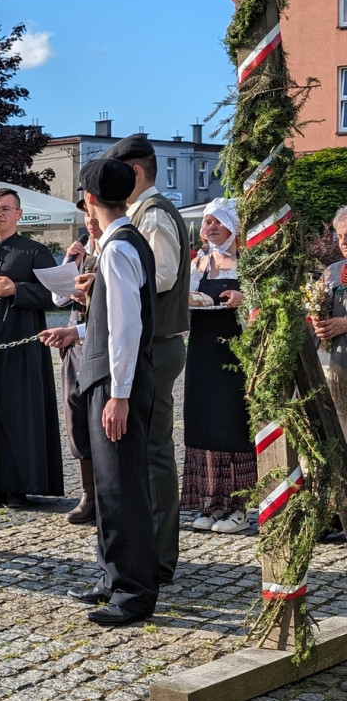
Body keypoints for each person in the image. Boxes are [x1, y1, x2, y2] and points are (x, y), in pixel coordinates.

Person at [40, 158, 158, 627]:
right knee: (110, 490)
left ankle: (133, 593)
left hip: (116, 383)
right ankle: (112, 578)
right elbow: (115, 322)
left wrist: (120, 394)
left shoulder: (119, 250)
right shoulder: (120, 245)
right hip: (109, 378)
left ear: (89, 199)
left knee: (122, 488)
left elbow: (128, 329)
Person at [101, 134, 191, 584]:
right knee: (148, 449)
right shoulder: (145, 215)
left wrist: (109, 282)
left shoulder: (154, 215)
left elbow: (162, 275)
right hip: (157, 341)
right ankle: (152, 549)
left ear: (134, 173)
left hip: (158, 343)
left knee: (154, 452)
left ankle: (158, 556)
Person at [0, 188, 64, 508]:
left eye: (5, 209)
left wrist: (15, 289)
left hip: (24, 348)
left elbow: (57, 295)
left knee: (20, 414)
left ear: (19, 214)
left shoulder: (36, 252)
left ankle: (19, 486)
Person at [180, 199, 256, 534]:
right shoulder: (199, 262)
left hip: (233, 355)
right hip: (201, 351)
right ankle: (210, 503)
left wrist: (245, 299)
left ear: (234, 227)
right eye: (207, 222)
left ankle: (237, 507)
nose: (210, 227)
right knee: (202, 422)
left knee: (231, 423)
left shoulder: (247, 263)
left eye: (217, 222)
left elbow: (267, 302)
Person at [52, 196, 102, 524]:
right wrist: (68, 262)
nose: (89, 221)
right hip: (74, 344)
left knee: (101, 420)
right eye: (86, 216)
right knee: (76, 417)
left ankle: (107, 492)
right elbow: (56, 298)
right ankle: (88, 492)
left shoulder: (113, 253)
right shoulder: (81, 251)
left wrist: (94, 293)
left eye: (94, 215)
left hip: (98, 342)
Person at [313, 205, 347, 438]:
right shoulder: (333, 270)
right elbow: (315, 306)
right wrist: (316, 320)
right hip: (335, 362)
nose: (343, 242)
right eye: (341, 236)